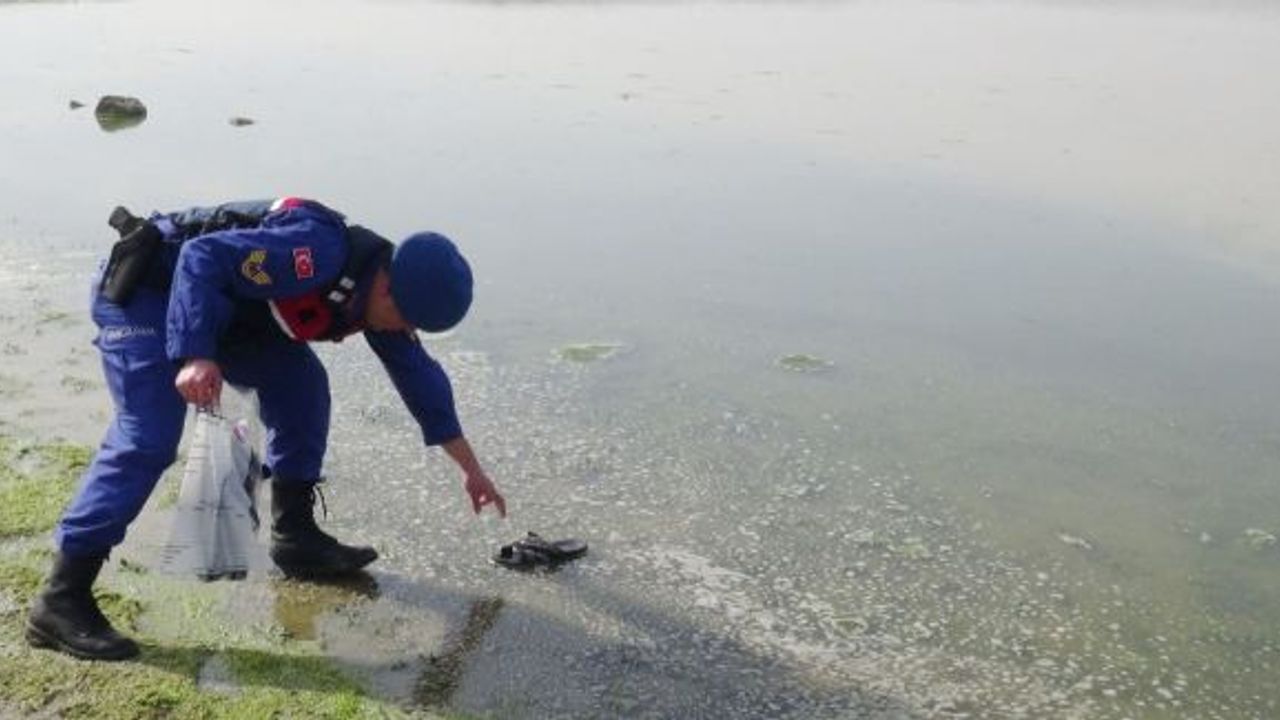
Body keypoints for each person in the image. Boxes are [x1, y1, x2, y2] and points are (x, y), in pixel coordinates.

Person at [25, 197, 506, 661]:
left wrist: (472, 471)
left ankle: (296, 538)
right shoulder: (316, 253)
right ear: (388, 288)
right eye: (408, 320)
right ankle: (61, 599)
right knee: (148, 437)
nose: (406, 332)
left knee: (301, 385)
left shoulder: (383, 294)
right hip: (149, 294)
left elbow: (421, 382)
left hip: (224, 313)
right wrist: (197, 354)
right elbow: (200, 256)